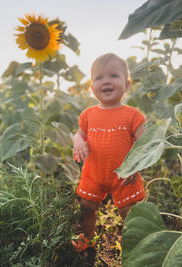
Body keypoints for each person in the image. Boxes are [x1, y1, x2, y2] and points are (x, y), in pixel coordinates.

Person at [72, 53, 146, 252]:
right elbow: (79, 134)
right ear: (91, 86)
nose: (106, 81)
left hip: (124, 175)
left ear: (127, 85)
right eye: (99, 77)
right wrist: (78, 141)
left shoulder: (132, 115)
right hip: (94, 173)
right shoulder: (88, 114)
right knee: (86, 207)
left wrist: (136, 165)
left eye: (113, 76)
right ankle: (87, 237)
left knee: (129, 212)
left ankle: (133, 243)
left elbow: (145, 144)